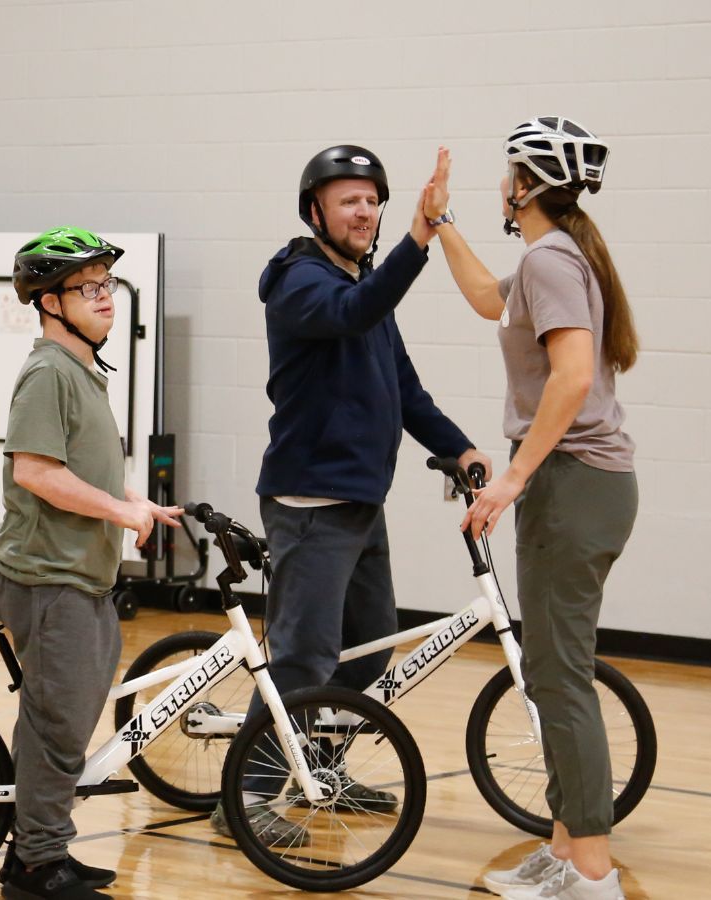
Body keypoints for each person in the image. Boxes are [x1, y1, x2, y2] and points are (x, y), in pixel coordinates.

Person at [209, 145, 492, 844]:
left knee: (367, 651)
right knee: (303, 659)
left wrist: (458, 447)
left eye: (372, 200)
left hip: (361, 502)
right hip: (310, 505)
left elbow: (406, 391)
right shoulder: (300, 282)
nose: (363, 211)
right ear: (316, 212)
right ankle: (243, 802)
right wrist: (421, 237)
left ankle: (321, 772)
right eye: (348, 201)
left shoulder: (363, 289)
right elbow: (355, 310)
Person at [422, 118, 639, 900]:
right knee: (554, 675)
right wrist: (439, 223)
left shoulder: (550, 257)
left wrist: (512, 478)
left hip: (571, 483)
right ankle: (563, 848)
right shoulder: (553, 256)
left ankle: (591, 874)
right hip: (580, 484)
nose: (500, 182)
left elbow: (572, 377)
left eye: (508, 170)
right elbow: (489, 301)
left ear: (528, 185)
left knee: (561, 681)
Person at [0, 226, 183, 900]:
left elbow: (77, 464)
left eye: (108, 286)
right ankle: (39, 867)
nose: (105, 299)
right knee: (58, 728)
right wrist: (120, 513)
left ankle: (37, 851)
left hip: (80, 577)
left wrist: (133, 499)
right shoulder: (48, 372)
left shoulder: (82, 372)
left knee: (63, 723)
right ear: (49, 302)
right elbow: (38, 473)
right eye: (88, 288)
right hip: (48, 579)